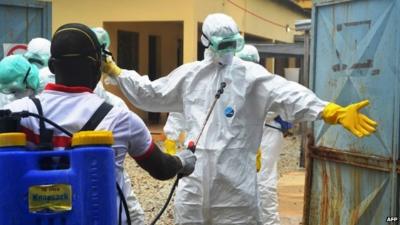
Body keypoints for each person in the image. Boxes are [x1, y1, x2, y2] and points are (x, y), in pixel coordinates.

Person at [103, 13, 377, 225]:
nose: (227, 51)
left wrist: (330, 110)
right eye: (222, 44)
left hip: (235, 188)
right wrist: (117, 72)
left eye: (231, 44)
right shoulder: (189, 76)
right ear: (206, 42)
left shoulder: (251, 77)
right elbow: (151, 93)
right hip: (194, 187)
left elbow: (290, 94)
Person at [4, 23, 196, 225]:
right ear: (97, 66)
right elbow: (161, 168)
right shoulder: (121, 119)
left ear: (51, 66)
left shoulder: (16, 114)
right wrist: (182, 162)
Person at [237, 44, 292, 225]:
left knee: (264, 181)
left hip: (267, 134)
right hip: (259, 133)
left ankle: (268, 222)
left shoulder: (264, 82)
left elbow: (266, 109)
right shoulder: (239, 80)